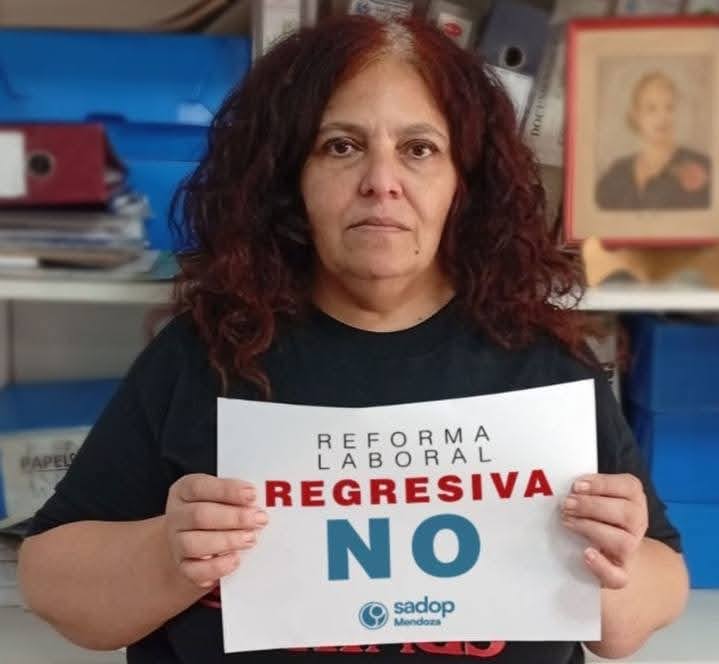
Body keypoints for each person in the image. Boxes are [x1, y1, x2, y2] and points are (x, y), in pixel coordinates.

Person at [18, 15, 688, 664]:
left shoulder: (543, 365)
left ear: (463, 181)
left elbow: (650, 596)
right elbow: (50, 580)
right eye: (341, 146)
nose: (381, 182)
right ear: (291, 178)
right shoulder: (208, 353)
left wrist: (617, 564)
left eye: (419, 149)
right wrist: (166, 554)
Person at [596, 70, 711, 210]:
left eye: (670, 108)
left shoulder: (702, 165)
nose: (663, 117)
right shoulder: (617, 173)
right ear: (636, 116)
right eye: (651, 109)